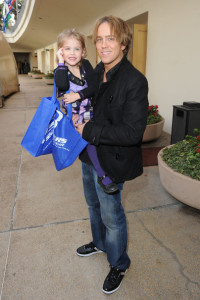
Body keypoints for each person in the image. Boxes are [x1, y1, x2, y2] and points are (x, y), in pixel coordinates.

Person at [75, 16, 148, 294]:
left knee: (112, 217)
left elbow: (132, 133)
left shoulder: (135, 81)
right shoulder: (96, 71)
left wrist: (90, 130)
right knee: (93, 207)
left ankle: (119, 263)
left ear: (124, 43)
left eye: (110, 38)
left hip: (112, 163)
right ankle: (100, 243)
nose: (103, 45)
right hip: (88, 156)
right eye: (99, 39)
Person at [54, 28, 119, 194]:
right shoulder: (61, 71)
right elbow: (62, 85)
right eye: (67, 49)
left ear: (83, 51)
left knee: (95, 137)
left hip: (90, 108)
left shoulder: (86, 66)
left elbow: (94, 87)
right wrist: (61, 62)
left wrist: (78, 94)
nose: (72, 53)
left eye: (77, 49)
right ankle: (103, 175)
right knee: (89, 138)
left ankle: (100, 167)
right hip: (74, 114)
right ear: (61, 50)